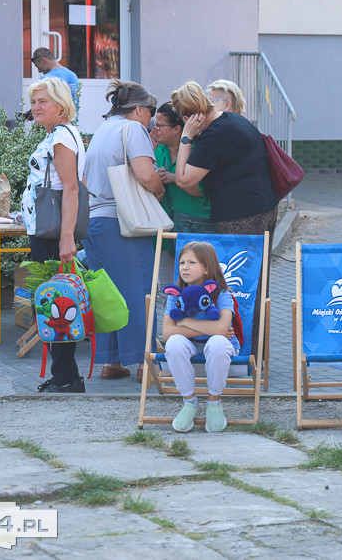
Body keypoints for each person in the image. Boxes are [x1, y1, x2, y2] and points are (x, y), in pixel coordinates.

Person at [173, 80, 277, 359]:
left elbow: (184, 179)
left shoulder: (214, 134)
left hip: (240, 216)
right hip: (263, 208)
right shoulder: (233, 121)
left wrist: (186, 138)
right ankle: (257, 353)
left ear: (188, 117)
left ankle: (243, 353)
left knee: (239, 284)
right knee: (257, 283)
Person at [82, 81, 163, 380]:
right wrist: (159, 189)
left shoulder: (102, 129)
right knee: (140, 290)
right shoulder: (133, 129)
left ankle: (111, 362)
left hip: (94, 220)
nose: (151, 119)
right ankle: (145, 363)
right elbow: (144, 174)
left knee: (107, 294)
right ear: (139, 109)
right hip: (123, 222)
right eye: (151, 112)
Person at [22, 79, 88, 393]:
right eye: (34, 102)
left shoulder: (61, 137)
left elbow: (72, 188)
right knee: (55, 303)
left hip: (52, 234)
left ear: (60, 104)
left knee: (55, 304)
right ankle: (64, 374)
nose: (36, 107)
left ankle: (66, 376)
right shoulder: (59, 135)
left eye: (43, 102)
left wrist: (66, 237)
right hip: (47, 230)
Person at [163, 241, 236, 433]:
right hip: (190, 344)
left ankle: (214, 402)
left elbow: (222, 329)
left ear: (206, 268)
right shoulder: (175, 294)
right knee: (174, 344)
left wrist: (184, 322)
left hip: (219, 345)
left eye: (191, 263)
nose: (185, 267)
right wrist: (211, 328)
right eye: (182, 263)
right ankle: (190, 402)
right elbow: (167, 333)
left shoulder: (221, 292)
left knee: (218, 343)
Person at [153, 102, 211, 238]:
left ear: (177, 129)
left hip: (197, 226)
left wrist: (173, 178)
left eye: (159, 125)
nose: (155, 129)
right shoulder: (156, 150)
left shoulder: (198, 150)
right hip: (164, 228)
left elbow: (203, 192)